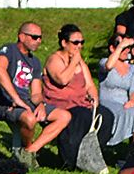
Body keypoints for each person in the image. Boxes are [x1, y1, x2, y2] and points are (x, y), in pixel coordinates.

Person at [0, 20, 72, 169]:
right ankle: (27, 152)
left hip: (25, 102)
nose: (38, 41)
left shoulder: (35, 62)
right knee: (29, 118)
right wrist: (16, 99)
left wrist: (40, 104)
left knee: (64, 116)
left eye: (40, 37)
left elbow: (35, 92)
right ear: (22, 36)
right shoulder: (8, 50)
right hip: (5, 103)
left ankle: (29, 151)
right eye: (34, 37)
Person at [41, 23, 99, 165]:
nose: (79, 46)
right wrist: (74, 62)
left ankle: (93, 155)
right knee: (81, 116)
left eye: (82, 42)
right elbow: (63, 80)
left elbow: (90, 85)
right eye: (75, 42)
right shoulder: (54, 60)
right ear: (64, 43)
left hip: (81, 104)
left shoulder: (80, 62)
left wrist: (94, 99)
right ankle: (70, 159)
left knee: (106, 116)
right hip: (61, 106)